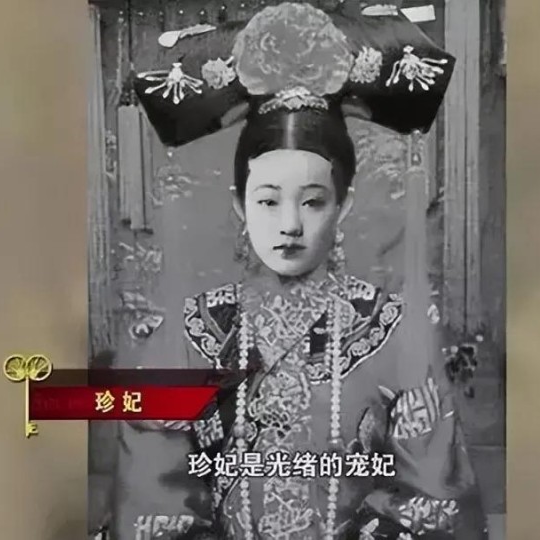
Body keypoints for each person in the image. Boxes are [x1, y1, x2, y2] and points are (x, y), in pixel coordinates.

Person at [118, 3, 486, 538]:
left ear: (344, 205)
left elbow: (432, 501)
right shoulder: (191, 335)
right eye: (268, 201)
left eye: (313, 201)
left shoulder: (393, 332)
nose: (289, 225)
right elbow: (152, 498)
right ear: (240, 205)